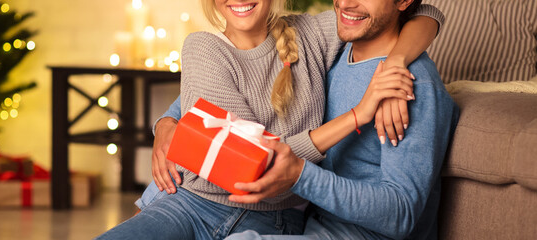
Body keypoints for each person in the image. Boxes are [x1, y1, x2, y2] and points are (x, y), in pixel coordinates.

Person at [96, 0, 443, 238]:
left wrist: (397, 63)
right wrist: (166, 122)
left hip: (275, 213)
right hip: (193, 200)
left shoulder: (319, 37)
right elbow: (225, 127)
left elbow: (426, 12)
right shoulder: (203, 47)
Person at [219, 0, 460, 238]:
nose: (345, 3)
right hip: (310, 224)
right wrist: (178, 116)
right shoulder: (334, 54)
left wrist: (300, 175)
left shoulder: (410, 87)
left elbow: (402, 214)